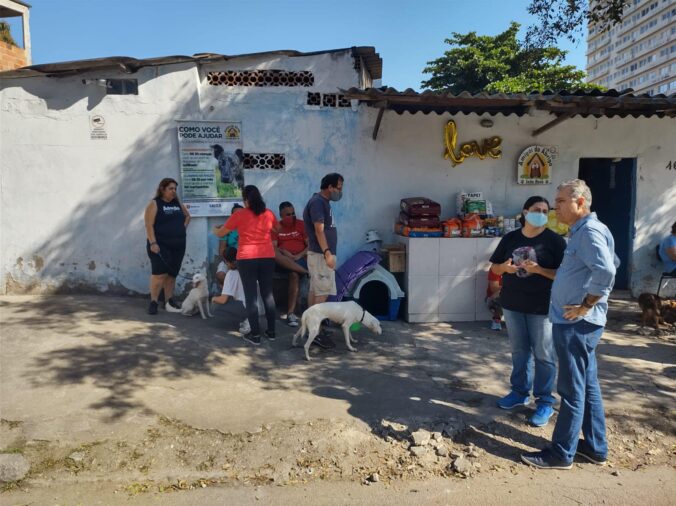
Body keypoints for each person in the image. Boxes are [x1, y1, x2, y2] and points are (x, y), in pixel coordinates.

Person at [522, 179, 617, 470]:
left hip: (577, 323)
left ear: (580, 203)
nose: (556, 208)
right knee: (587, 385)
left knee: (571, 389)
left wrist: (586, 305)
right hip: (578, 322)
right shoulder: (583, 231)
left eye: (561, 202)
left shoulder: (589, 232)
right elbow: (612, 262)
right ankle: (596, 448)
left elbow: (607, 270)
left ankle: (561, 453)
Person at [489, 196, 567, 427]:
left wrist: (540, 270)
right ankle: (519, 392)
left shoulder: (554, 241)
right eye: (536, 210)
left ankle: (545, 402)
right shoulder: (510, 238)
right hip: (512, 304)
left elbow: (564, 274)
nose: (541, 214)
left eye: (545, 211)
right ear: (525, 212)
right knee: (519, 351)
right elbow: (495, 267)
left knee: (544, 354)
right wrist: (505, 268)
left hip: (542, 306)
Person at [213, 185, 278, 345]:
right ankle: (271, 332)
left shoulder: (240, 214)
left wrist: (215, 229)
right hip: (267, 256)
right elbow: (277, 229)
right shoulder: (268, 213)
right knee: (268, 295)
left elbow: (221, 233)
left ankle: (255, 336)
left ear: (246, 200)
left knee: (251, 296)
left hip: (247, 258)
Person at [302, 173, 344, 349]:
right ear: (330, 187)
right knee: (322, 294)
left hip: (320, 255)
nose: (340, 191)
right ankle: (314, 333)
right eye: (339, 188)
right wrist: (327, 253)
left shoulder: (323, 202)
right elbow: (319, 230)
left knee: (315, 291)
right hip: (321, 256)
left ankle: (313, 329)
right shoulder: (318, 203)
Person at [144, 178, 190, 315]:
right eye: (171, 188)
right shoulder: (155, 203)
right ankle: (153, 302)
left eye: (175, 189)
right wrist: (153, 243)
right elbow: (149, 225)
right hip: (160, 245)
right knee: (159, 274)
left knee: (172, 274)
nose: (174, 191)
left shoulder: (177, 203)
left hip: (178, 245)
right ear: (162, 189)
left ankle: (168, 301)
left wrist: (181, 228)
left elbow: (187, 216)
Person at [273, 201, 309, 327]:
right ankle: (306, 272)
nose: (292, 216)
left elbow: (310, 245)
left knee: (294, 274)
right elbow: (274, 247)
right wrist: (284, 252)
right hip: (283, 260)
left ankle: (290, 313)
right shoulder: (276, 227)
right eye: (288, 214)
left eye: (293, 213)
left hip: (300, 258)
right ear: (281, 215)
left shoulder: (301, 225)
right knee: (273, 254)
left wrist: (298, 255)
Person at [211, 247, 250, 335]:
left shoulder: (231, 273)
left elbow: (223, 300)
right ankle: (248, 319)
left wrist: (213, 299)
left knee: (214, 306)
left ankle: (247, 320)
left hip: (246, 307)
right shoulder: (247, 267)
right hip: (257, 306)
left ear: (226, 261)